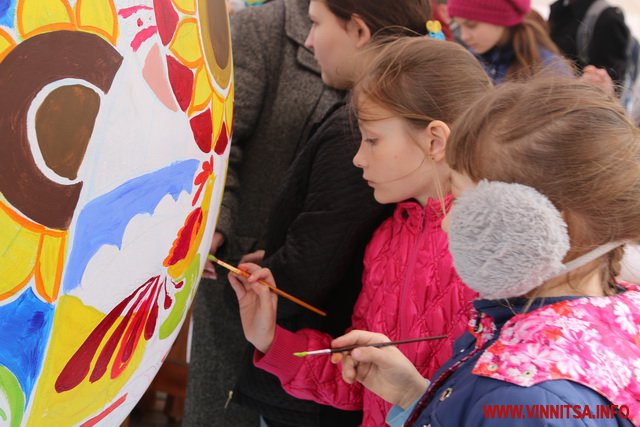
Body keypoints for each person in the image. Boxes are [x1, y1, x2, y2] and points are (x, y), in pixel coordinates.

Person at [326, 77, 640, 426]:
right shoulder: (616, 315)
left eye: (461, 200)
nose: (447, 224)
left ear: (546, 222)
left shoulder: (528, 400)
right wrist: (414, 395)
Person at [229, 37, 491, 426]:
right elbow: (361, 380)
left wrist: (414, 395)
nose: (357, 158)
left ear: (435, 140)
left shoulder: (490, 253)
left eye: (372, 140)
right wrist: (271, 339)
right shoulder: (386, 239)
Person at [184, 1, 343, 425]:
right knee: (223, 411)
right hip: (245, 275)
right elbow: (220, 143)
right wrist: (217, 225)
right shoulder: (261, 29)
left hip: (333, 290)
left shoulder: (398, 37)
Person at [447, 0, 570, 83]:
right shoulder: (474, 58)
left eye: (471, 25)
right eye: (459, 25)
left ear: (500, 18)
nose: (464, 36)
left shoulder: (549, 72)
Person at [548, 0, 630, 89]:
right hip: (552, 90)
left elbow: (614, 81)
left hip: (579, 97)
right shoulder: (559, 8)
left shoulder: (607, 19)